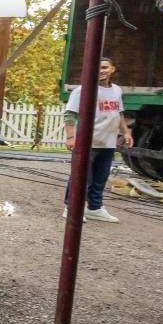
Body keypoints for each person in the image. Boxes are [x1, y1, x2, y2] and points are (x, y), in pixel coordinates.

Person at [63, 56, 133, 223]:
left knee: (100, 179)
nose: (101, 71)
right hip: (87, 143)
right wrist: (71, 137)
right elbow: (70, 115)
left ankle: (95, 208)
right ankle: (71, 208)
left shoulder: (116, 90)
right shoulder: (82, 90)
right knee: (81, 178)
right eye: (98, 67)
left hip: (108, 143)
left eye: (105, 67)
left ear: (112, 69)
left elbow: (119, 113)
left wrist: (126, 133)